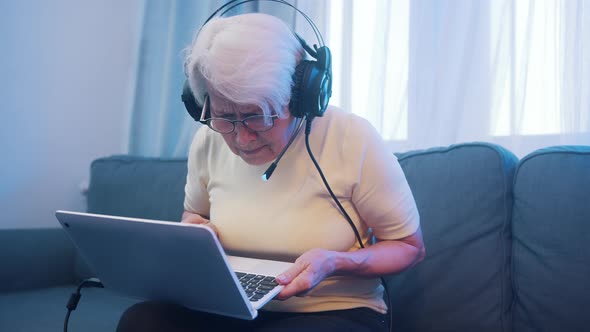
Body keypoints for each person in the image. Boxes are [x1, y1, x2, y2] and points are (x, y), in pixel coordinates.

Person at [117, 12, 425, 332]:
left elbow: (409, 247)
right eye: (225, 117)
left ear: (303, 94)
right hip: (231, 306)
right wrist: (196, 234)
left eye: (256, 116)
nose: (241, 138)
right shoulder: (208, 140)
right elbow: (193, 216)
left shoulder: (353, 138)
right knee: (142, 321)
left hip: (331, 309)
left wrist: (335, 262)